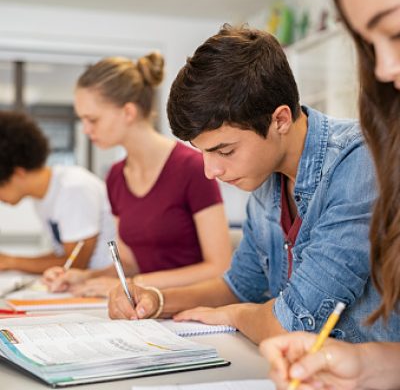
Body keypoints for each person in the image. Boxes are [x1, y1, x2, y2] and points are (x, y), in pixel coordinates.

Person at [108, 25, 400, 345]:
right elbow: (238, 286)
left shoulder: (358, 161)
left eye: (224, 150)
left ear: (280, 120)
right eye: (203, 151)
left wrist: (236, 314)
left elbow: (293, 324)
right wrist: (156, 299)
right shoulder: (265, 176)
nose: (210, 170)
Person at [260, 0, 400, 389]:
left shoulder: (355, 161)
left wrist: (234, 315)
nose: (385, 67)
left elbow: (290, 316)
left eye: (396, 30)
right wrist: (365, 365)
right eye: (371, 45)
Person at [43, 54, 232, 297]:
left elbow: (219, 267)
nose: (86, 130)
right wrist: (85, 277)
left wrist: (136, 284)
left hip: (195, 309)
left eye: (92, 119)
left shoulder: (193, 168)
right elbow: (130, 264)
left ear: (128, 112)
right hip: (147, 309)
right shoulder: (115, 177)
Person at [0, 110, 115, 273]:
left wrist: (12, 262)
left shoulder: (73, 188)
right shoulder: (43, 197)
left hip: (106, 285)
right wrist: (10, 261)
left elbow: (75, 263)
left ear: (18, 173)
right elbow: (63, 254)